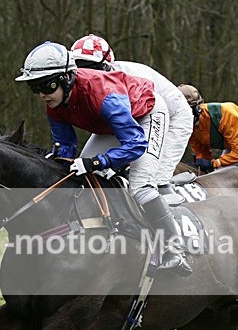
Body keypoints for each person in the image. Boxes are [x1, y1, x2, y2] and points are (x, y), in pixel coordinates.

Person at [15, 41, 191, 276]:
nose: (41, 94)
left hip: (148, 114)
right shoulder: (54, 106)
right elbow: (66, 147)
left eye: (47, 86)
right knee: (84, 178)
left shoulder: (103, 94)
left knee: (142, 186)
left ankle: (174, 250)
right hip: (114, 122)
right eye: (34, 88)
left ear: (67, 78)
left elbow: (135, 144)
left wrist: (97, 162)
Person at [69, 34, 193, 205]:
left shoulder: (130, 77)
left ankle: (174, 220)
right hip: (130, 118)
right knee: (85, 172)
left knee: (150, 179)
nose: (84, 75)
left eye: (89, 67)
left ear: (106, 66)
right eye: (79, 68)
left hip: (172, 116)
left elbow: (140, 133)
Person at [177, 84, 238, 173]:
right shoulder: (190, 128)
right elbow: (202, 152)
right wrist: (200, 163)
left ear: (197, 108)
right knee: (218, 175)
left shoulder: (224, 114)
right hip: (234, 144)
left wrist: (213, 163)